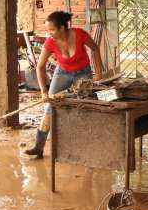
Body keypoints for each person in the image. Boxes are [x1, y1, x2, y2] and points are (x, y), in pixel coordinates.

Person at [24, 11, 104, 158]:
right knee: (50, 106)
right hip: (62, 73)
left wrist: (98, 74)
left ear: (62, 28)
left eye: (52, 30)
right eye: (48, 30)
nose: (49, 33)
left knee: (85, 107)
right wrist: (43, 91)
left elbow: (95, 49)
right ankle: (38, 147)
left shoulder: (80, 34)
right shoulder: (50, 42)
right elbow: (40, 67)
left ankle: (87, 146)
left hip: (83, 73)